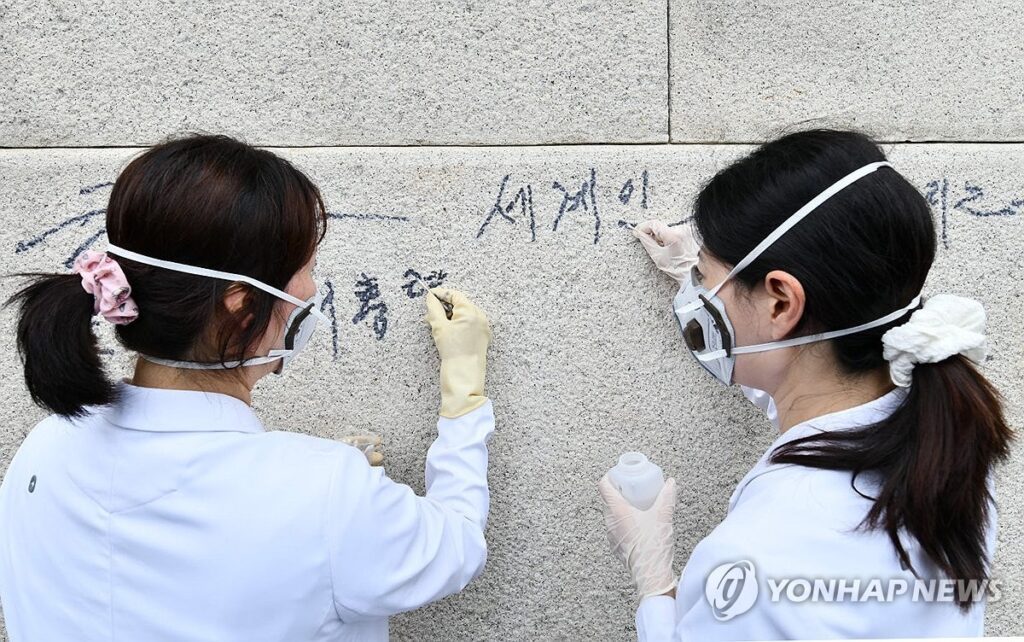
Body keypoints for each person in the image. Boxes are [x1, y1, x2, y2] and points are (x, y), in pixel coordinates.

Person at [0, 133, 495, 641]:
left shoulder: (43, 452)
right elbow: (455, 545)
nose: (309, 291)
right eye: (305, 270)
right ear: (241, 308)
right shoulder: (325, 493)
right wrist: (464, 399)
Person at [598, 128, 1013, 640]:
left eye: (708, 281)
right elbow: (807, 388)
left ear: (781, 303)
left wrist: (656, 586)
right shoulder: (943, 441)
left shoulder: (760, 556)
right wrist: (696, 277)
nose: (699, 295)